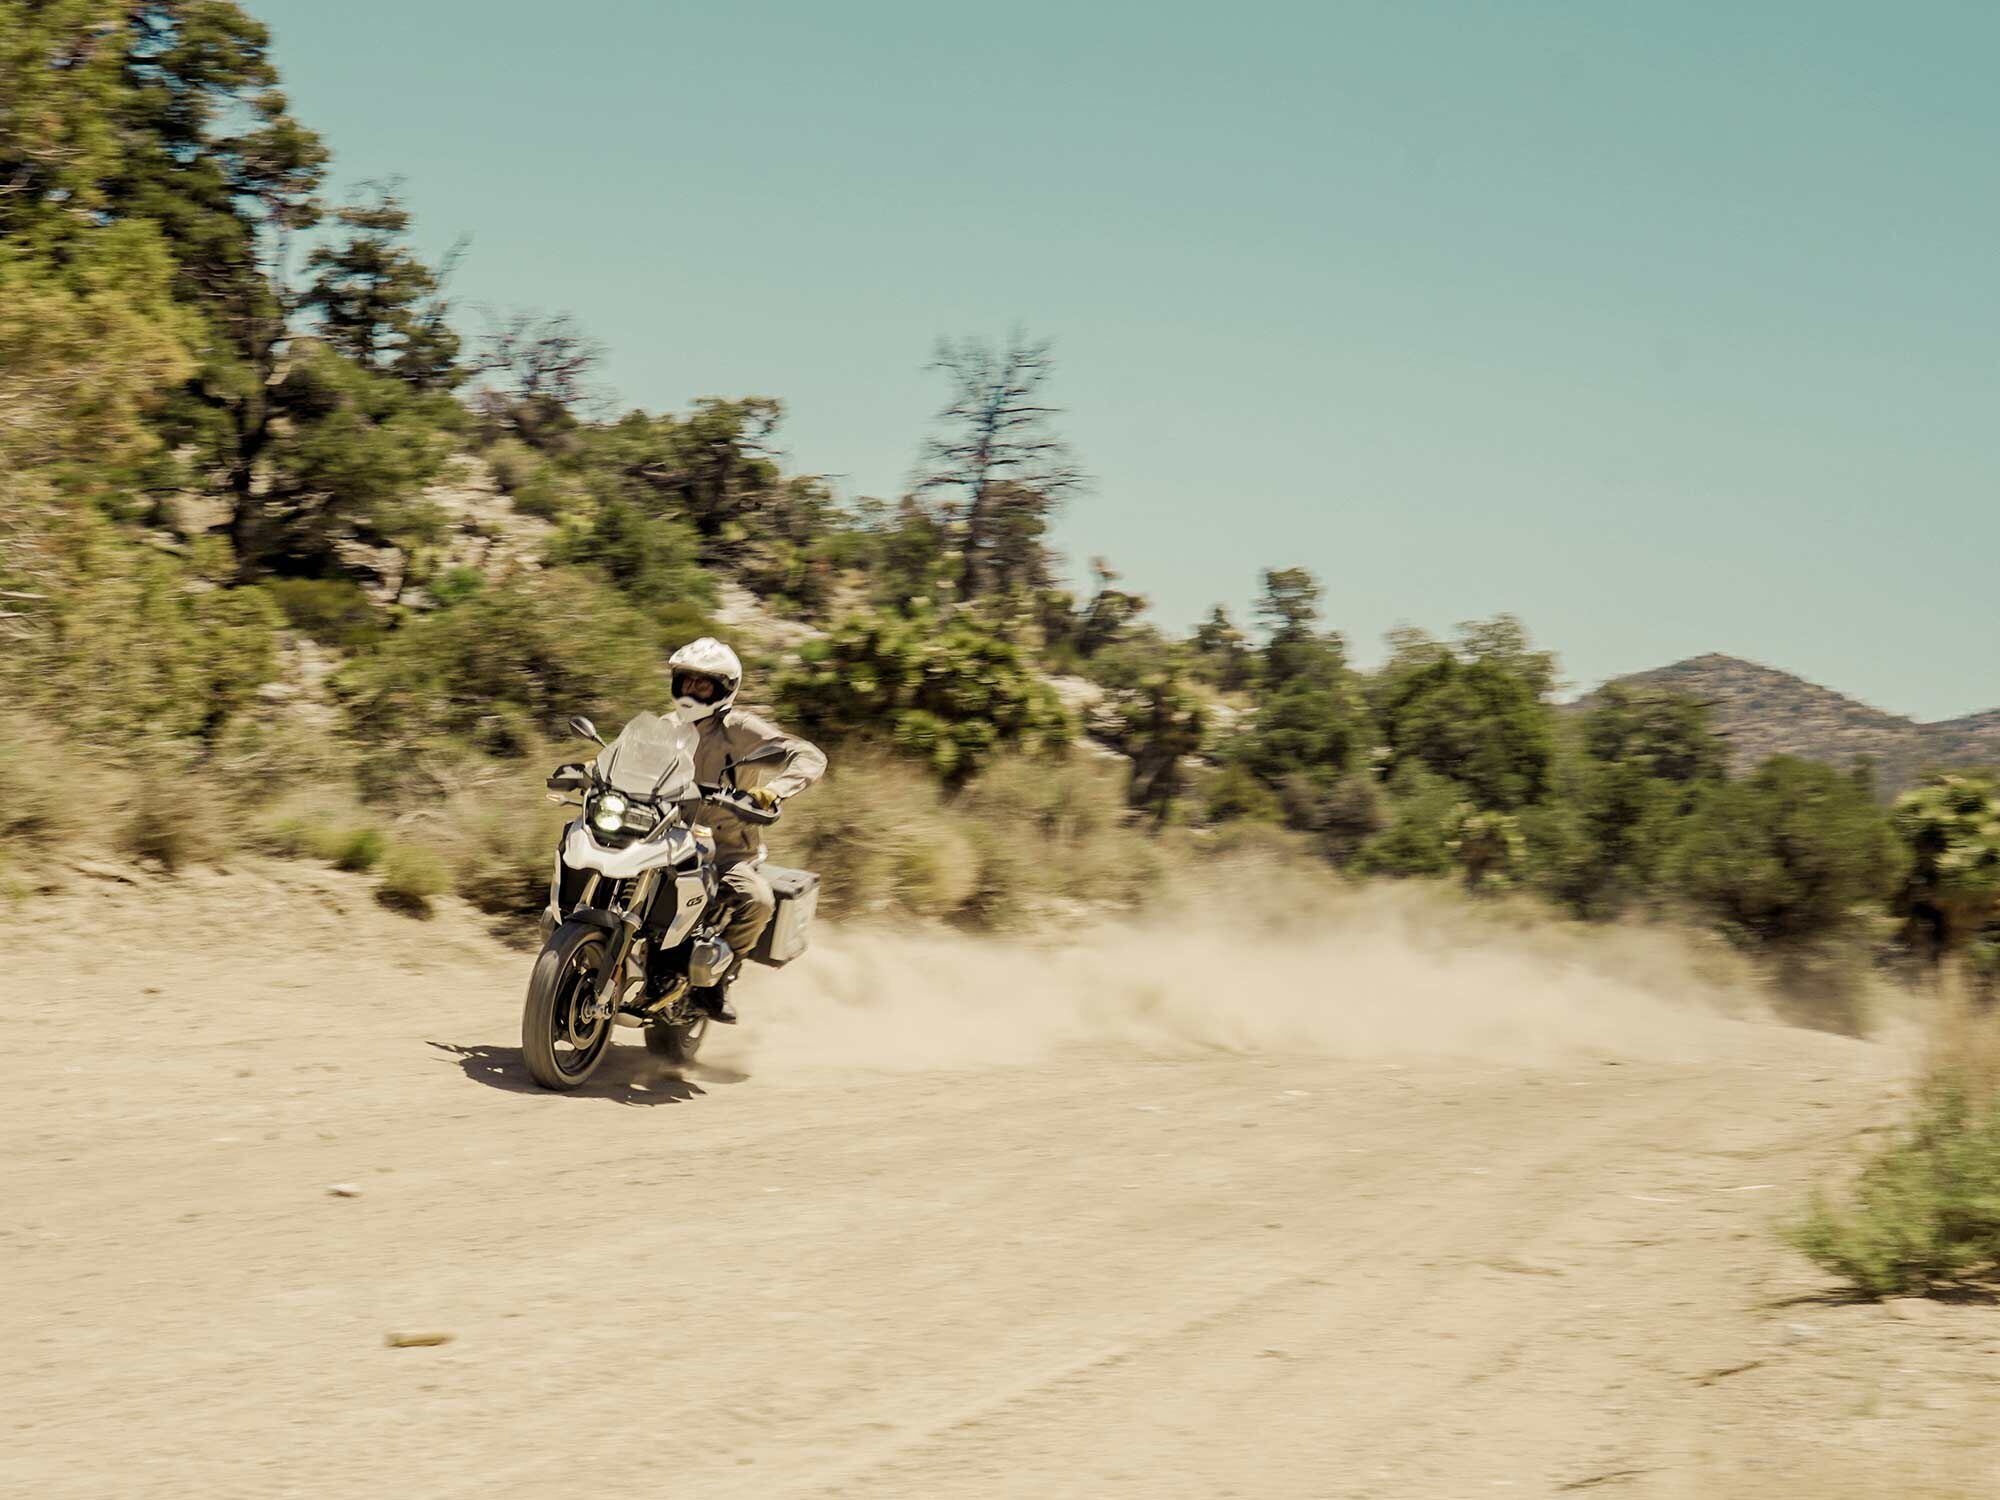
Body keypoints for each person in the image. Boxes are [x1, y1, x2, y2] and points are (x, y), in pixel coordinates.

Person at [666, 637, 825, 1024]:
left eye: (702, 685)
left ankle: (716, 982)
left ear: (723, 689)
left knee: (758, 900)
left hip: (724, 851)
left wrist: (773, 791)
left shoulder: (738, 728)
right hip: (664, 838)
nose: (691, 691)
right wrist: (589, 770)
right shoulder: (666, 727)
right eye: (686, 681)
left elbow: (808, 755)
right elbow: (621, 757)